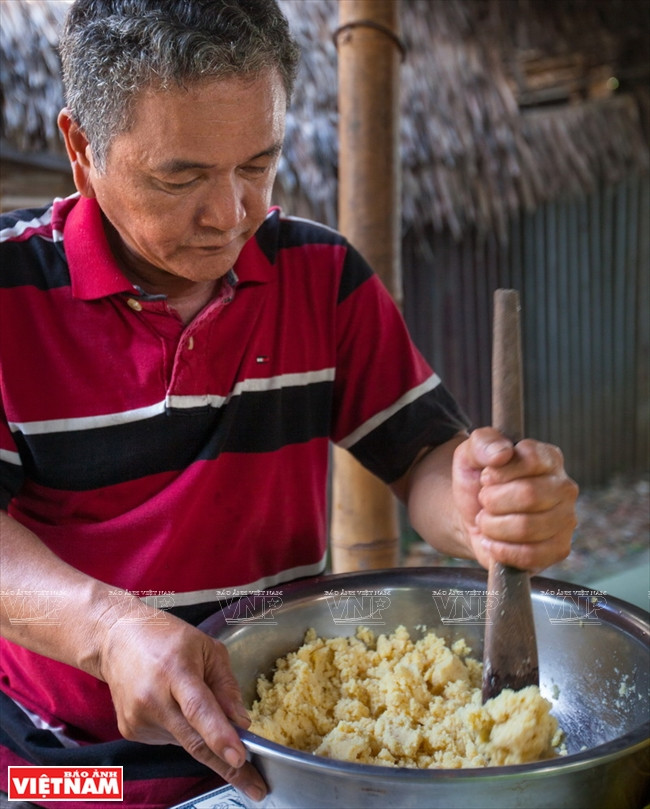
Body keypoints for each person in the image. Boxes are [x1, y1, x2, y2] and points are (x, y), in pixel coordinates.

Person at [0, 1, 578, 807]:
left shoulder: (321, 277)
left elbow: (423, 462)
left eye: (257, 164)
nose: (231, 213)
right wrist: (106, 630)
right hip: (73, 767)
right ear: (80, 148)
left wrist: (486, 504)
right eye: (182, 176)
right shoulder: (10, 297)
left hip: (289, 755)